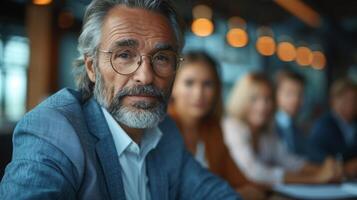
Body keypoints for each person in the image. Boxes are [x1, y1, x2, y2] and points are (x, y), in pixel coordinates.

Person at [0, 1, 241, 199]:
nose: (145, 76)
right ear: (92, 67)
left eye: (161, 58)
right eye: (124, 55)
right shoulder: (52, 130)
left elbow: (211, 192)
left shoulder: (164, 130)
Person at [168, 51, 266, 199]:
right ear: (172, 87)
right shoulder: (163, 128)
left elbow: (245, 184)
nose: (198, 93)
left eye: (207, 84)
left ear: (217, 90)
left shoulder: (212, 129)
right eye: (189, 83)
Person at [222, 73, 341, 187]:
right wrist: (315, 179)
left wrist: (323, 170)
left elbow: (288, 160)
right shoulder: (232, 126)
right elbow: (254, 172)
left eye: (267, 99)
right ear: (242, 100)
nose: (263, 106)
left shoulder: (267, 129)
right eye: (254, 99)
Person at [309, 78, 357, 179]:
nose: (351, 104)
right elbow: (316, 157)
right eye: (345, 99)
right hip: (331, 180)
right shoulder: (323, 125)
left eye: (354, 99)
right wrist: (344, 166)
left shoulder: (354, 124)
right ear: (334, 100)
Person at [274, 70, 308, 157]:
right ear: (276, 94)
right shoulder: (268, 126)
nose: (295, 99)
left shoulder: (298, 128)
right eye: (289, 93)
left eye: (300, 94)